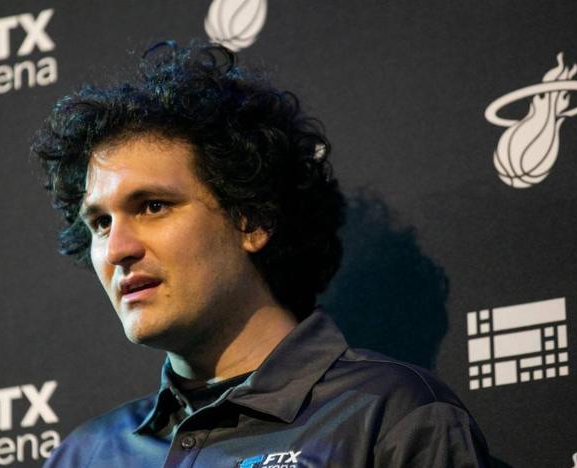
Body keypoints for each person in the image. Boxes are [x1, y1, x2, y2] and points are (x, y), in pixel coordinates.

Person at [32, 41, 490, 467]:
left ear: (252, 221)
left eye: (153, 207)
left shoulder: (392, 415)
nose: (117, 248)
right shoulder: (84, 455)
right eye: (100, 223)